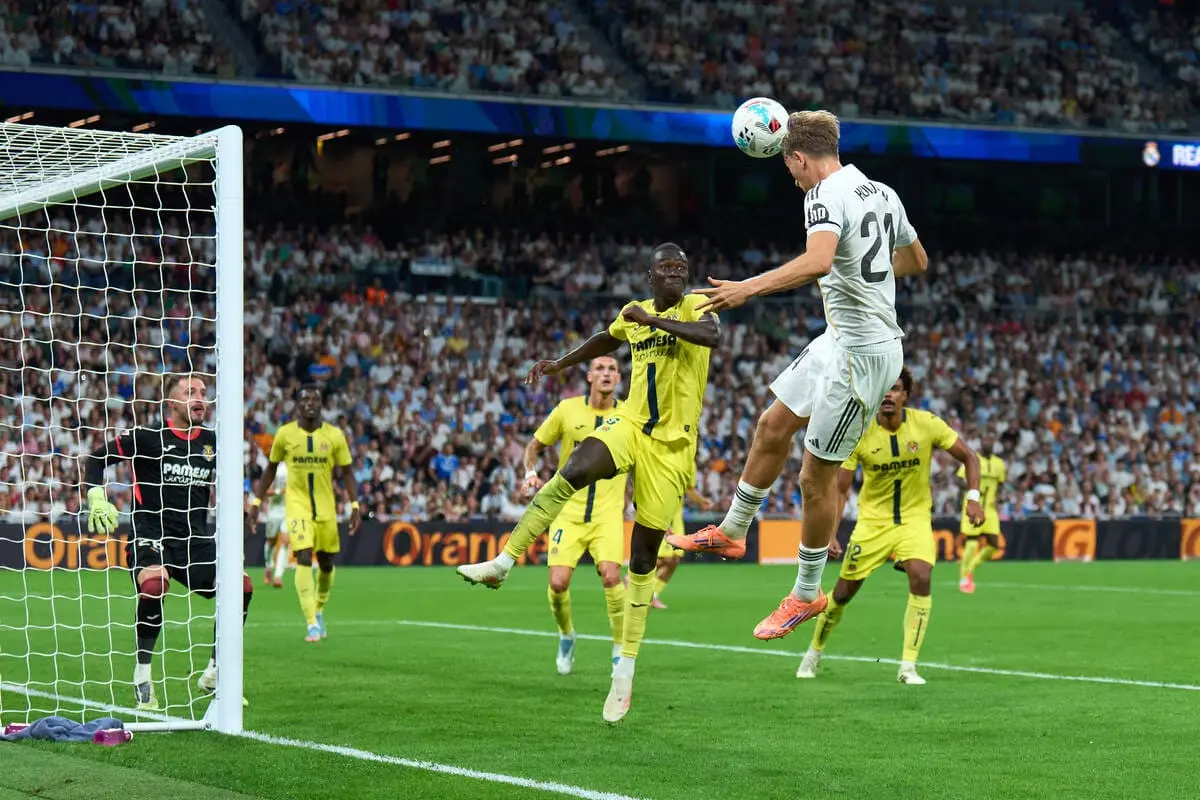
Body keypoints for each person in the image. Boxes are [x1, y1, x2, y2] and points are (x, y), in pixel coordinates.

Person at [667, 109, 928, 641]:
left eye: (791, 168)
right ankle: (733, 531)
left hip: (863, 355)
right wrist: (866, 273)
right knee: (772, 425)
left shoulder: (821, 196)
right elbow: (916, 260)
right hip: (839, 341)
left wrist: (746, 289)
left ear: (799, 157)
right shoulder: (882, 191)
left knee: (815, 478)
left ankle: (805, 594)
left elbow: (816, 261)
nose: (792, 178)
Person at [456, 243, 719, 723]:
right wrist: (561, 363)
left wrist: (652, 320)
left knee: (642, 559)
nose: (676, 273)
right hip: (631, 426)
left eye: (682, 267)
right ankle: (502, 561)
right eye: (667, 267)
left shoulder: (696, 306)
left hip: (673, 449)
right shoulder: (631, 315)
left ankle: (625, 672)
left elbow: (709, 338)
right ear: (650, 275)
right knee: (574, 467)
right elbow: (606, 338)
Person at [794, 368, 984, 684]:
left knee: (922, 576)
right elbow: (841, 488)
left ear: (905, 395)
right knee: (842, 593)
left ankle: (908, 667)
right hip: (872, 524)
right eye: (884, 389)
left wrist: (974, 497)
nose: (887, 395)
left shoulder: (926, 424)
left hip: (915, 520)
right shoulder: (861, 432)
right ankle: (813, 653)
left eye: (895, 389)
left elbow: (970, 458)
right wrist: (831, 532)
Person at [85, 374, 251, 710]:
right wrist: (96, 496)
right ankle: (142, 676)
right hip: (151, 534)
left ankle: (216, 672)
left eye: (203, 392)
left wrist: (238, 530)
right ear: (171, 402)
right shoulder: (147, 437)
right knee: (154, 584)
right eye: (190, 392)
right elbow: (95, 460)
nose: (200, 398)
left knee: (242, 585)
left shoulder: (213, 442)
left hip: (193, 540)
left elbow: (234, 488)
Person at [522, 356, 628, 673]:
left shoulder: (629, 415)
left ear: (619, 378)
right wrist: (530, 474)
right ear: (589, 377)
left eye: (612, 369)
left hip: (608, 514)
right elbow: (534, 446)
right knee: (558, 583)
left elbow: (637, 463)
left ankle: (620, 649)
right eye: (600, 369)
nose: (606, 373)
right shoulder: (567, 410)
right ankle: (567, 635)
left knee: (611, 575)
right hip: (567, 511)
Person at [247, 385, 361, 642]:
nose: (310, 403)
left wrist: (354, 506)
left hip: (326, 507)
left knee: (327, 561)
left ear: (321, 404)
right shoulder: (285, 434)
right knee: (303, 556)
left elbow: (347, 473)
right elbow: (270, 470)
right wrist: (256, 502)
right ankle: (311, 622)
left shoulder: (335, 435)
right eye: (305, 399)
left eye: (315, 399)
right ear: (298, 405)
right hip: (296, 506)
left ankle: (319, 609)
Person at [650, 487, 713, 609]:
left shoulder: (682, 473)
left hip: (677, 520)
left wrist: (701, 501)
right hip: (666, 520)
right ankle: (634, 578)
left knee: (674, 561)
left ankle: (652, 594)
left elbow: (689, 488)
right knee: (666, 559)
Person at [958, 433, 1006, 593]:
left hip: (990, 508)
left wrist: (998, 499)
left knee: (994, 545)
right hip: (973, 505)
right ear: (981, 441)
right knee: (972, 542)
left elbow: (1000, 484)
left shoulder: (999, 464)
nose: (989, 442)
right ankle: (964, 578)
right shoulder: (972, 459)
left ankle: (970, 569)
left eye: (991, 440)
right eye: (986, 439)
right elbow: (959, 480)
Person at [262, 460, 289, 588]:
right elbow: (265, 490)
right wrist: (280, 491)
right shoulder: (274, 468)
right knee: (271, 541)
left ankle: (278, 576)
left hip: (288, 510)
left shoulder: (295, 467)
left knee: (285, 541)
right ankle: (268, 566)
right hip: (274, 510)